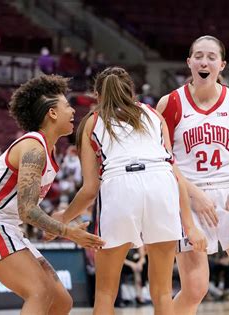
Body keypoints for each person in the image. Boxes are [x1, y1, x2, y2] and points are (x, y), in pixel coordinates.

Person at [49, 67, 207, 315]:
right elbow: (176, 175)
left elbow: (90, 189)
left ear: (97, 95)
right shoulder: (154, 115)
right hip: (161, 185)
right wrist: (190, 226)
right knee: (163, 293)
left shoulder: (92, 121)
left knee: (105, 294)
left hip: (121, 186)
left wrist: (62, 219)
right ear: (131, 92)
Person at [0, 75, 105, 315]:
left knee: (60, 301)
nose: (73, 110)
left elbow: (25, 209)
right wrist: (67, 231)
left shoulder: (49, 150)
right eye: (67, 105)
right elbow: (27, 209)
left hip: (7, 226)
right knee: (39, 293)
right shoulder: (33, 146)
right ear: (52, 113)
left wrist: (56, 222)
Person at [157, 35, 229, 315]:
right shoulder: (169, 104)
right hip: (189, 197)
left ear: (222, 65)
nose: (204, 62)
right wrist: (195, 195)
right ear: (189, 62)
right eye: (198, 56)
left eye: (211, 57)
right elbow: (163, 161)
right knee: (195, 288)